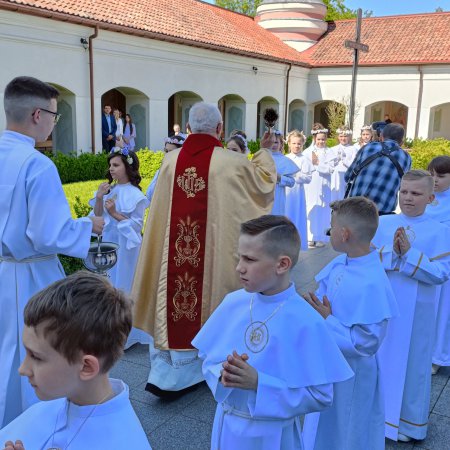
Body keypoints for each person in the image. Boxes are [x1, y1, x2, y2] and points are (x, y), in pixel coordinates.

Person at [132, 102, 277, 398]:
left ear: (187, 129)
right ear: (220, 129)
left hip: (174, 254)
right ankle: (207, 362)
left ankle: (172, 369)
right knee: (212, 293)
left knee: (174, 288)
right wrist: (264, 151)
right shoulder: (232, 163)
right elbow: (263, 184)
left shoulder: (171, 160)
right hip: (209, 254)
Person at [192, 215, 353, 450]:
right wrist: (222, 373)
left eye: (249, 259)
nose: (239, 267)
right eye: (239, 258)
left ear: (282, 264)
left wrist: (260, 383)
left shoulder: (306, 320)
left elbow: (321, 395)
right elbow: (207, 357)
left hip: (273, 436)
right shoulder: (233, 303)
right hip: (227, 425)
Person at [0, 76, 104, 427]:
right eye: (53, 116)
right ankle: (32, 427)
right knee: (34, 352)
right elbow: (48, 234)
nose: (52, 124)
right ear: (35, 114)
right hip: (30, 273)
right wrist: (88, 226)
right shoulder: (36, 164)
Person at [0, 272, 152, 449]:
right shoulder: (48, 407)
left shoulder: (125, 443)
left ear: (86, 367)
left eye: (36, 357)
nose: (22, 369)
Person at [302, 197, 398, 450]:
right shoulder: (340, 263)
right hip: (329, 362)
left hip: (352, 373)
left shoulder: (371, 282)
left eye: (331, 228)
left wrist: (327, 320)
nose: (328, 232)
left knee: (348, 428)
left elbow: (366, 342)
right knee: (324, 426)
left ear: (344, 234)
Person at [372, 170, 450, 442]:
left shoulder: (440, 231)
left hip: (418, 312)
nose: (408, 198)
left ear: (430, 198)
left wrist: (410, 255)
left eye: (416, 193)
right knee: (381, 361)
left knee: (413, 364)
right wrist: (393, 255)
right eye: (404, 191)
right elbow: (367, 260)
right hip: (383, 307)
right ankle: (378, 419)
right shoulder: (383, 224)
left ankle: (407, 424)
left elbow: (441, 273)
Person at [90, 147, 150, 348]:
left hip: (128, 246)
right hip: (110, 241)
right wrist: (99, 198)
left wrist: (115, 214)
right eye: (110, 165)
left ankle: (127, 334)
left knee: (125, 283)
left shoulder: (135, 195)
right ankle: (108, 330)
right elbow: (98, 216)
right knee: (108, 283)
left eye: (116, 165)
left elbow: (136, 225)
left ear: (127, 167)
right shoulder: (110, 191)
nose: (111, 169)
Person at [345, 123, 411, 215]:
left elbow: (348, 176)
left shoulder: (368, 147)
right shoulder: (406, 157)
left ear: (382, 136)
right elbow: (402, 186)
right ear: (401, 141)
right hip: (382, 213)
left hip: (355, 207)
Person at [426, 156, 450, 374]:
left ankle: (437, 356)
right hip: (422, 261)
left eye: (441, 176)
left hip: (444, 263)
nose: (434, 180)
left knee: (442, 310)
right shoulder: (424, 196)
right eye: (431, 174)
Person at [303, 124, 337, 248]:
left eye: (323, 139)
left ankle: (321, 236)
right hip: (311, 185)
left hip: (324, 185)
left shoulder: (330, 152)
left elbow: (330, 169)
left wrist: (318, 163)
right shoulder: (308, 152)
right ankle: (310, 236)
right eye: (319, 139)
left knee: (323, 209)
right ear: (314, 139)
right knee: (311, 207)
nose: (321, 141)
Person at [285, 130, 313, 251]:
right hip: (285, 192)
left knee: (296, 215)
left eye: (299, 144)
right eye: (294, 143)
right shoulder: (285, 158)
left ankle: (295, 242)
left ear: (302, 145)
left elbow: (308, 178)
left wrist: (296, 175)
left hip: (297, 194)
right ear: (289, 144)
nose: (296, 146)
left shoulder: (304, 159)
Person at [145, 134, 186, 203]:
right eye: (166, 151)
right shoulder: (160, 171)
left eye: (172, 152)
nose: (167, 154)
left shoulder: (184, 174)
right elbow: (149, 195)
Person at [268, 130, 299, 215]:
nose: (273, 145)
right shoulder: (262, 157)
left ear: (281, 144)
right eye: (271, 142)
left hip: (277, 196)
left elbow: (291, 182)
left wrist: (280, 178)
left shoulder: (285, 161)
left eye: (276, 142)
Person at [330, 126, 358, 202]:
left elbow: (353, 165)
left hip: (346, 176)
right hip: (335, 176)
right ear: (338, 137)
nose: (343, 138)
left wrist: (344, 159)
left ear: (349, 137)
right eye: (341, 136)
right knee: (334, 194)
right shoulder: (333, 149)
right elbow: (330, 164)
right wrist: (336, 160)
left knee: (344, 195)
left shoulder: (353, 149)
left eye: (345, 136)